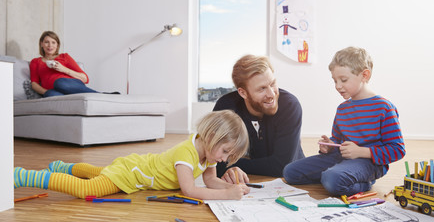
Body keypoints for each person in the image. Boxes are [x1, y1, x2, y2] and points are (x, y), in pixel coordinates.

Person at [14, 110, 251, 200]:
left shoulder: (208, 156)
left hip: (134, 171)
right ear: (211, 137)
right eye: (225, 152)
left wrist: (231, 188)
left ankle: (62, 167)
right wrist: (227, 196)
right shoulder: (186, 152)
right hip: (131, 174)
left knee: (100, 173)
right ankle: (24, 176)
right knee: (88, 189)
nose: (222, 160)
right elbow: (188, 191)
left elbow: (210, 181)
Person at [283, 47, 406, 196]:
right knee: (290, 172)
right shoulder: (342, 109)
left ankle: (360, 182)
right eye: (335, 81)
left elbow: (397, 149)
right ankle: (335, 176)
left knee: (332, 179)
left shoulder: (384, 108)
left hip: (369, 162)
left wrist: (361, 151)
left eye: (343, 80)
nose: (338, 86)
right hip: (341, 158)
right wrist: (329, 146)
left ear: (364, 75)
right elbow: (339, 140)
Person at [213, 54, 304, 182]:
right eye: (262, 89)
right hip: (240, 181)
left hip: (288, 181)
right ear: (243, 93)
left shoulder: (290, 106)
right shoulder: (226, 108)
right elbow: (215, 160)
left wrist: (234, 164)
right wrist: (227, 166)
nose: (271, 94)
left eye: (273, 84)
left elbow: (282, 166)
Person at [30, 30, 104, 97]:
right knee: (50, 94)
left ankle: (99, 95)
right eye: (47, 42)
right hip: (55, 91)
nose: (50, 45)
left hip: (70, 85)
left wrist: (63, 69)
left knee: (59, 83)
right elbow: (34, 84)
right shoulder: (35, 61)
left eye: (53, 42)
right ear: (41, 44)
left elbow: (85, 79)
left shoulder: (64, 57)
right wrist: (46, 91)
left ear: (57, 45)